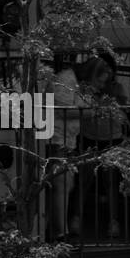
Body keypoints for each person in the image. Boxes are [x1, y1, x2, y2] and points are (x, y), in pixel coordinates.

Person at [71, 44, 129, 239]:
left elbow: (122, 109)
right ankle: (77, 218)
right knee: (84, 181)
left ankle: (114, 221)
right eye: (102, 79)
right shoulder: (85, 92)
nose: (105, 83)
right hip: (90, 138)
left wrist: (111, 97)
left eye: (108, 78)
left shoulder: (116, 89)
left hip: (112, 138)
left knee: (111, 183)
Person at [46, 55, 82, 241]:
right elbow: (63, 110)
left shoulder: (64, 77)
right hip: (59, 138)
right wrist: (90, 110)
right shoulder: (65, 78)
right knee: (62, 186)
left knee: (66, 185)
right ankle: (60, 233)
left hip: (63, 138)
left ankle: (60, 230)